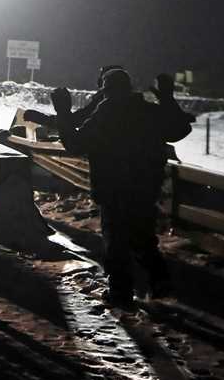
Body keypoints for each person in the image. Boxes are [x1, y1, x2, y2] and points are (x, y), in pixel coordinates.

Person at [51, 70, 193, 308]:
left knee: (116, 243)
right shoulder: (148, 112)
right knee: (142, 237)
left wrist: (63, 112)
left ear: (106, 91)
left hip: (113, 190)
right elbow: (180, 130)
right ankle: (160, 282)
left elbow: (75, 144)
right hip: (145, 188)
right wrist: (167, 99)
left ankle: (120, 293)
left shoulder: (105, 114)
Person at [23, 64, 124, 132]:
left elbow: (75, 123)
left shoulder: (105, 103)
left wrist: (44, 118)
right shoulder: (128, 103)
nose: (98, 83)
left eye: (102, 79)